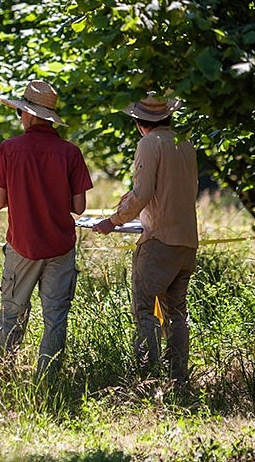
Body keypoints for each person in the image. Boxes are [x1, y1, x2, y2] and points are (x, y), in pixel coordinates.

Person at [0, 80, 93, 386]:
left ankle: (0, 374)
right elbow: (80, 207)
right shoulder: (70, 152)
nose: (20, 117)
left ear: (30, 116)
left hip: (22, 245)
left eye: (21, 112)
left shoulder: (9, 149)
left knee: (12, 313)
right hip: (60, 246)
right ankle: (48, 381)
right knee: (56, 317)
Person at [93, 92, 198, 389]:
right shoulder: (185, 143)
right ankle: (178, 378)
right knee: (176, 313)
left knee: (144, 311)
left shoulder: (149, 144)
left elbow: (143, 193)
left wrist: (112, 221)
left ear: (141, 123)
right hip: (187, 240)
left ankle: (146, 378)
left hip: (159, 240)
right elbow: (177, 192)